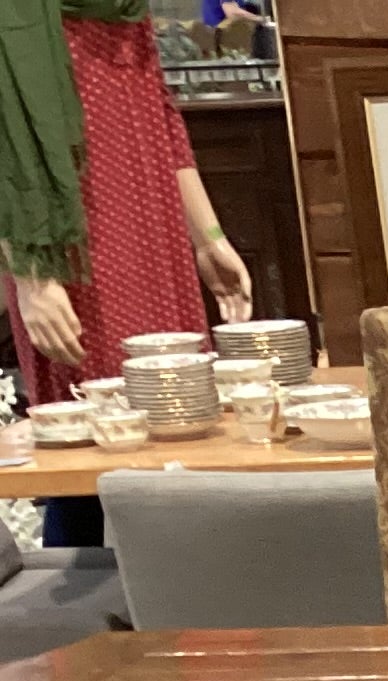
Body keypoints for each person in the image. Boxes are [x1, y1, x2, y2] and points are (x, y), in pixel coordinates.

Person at [0, 0, 251, 538]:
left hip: (151, 218)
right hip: (63, 240)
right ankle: (85, 583)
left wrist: (208, 237)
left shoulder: (126, 8)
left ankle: (185, 581)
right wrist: (30, 276)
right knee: (86, 439)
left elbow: (158, 106)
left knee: (180, 416)